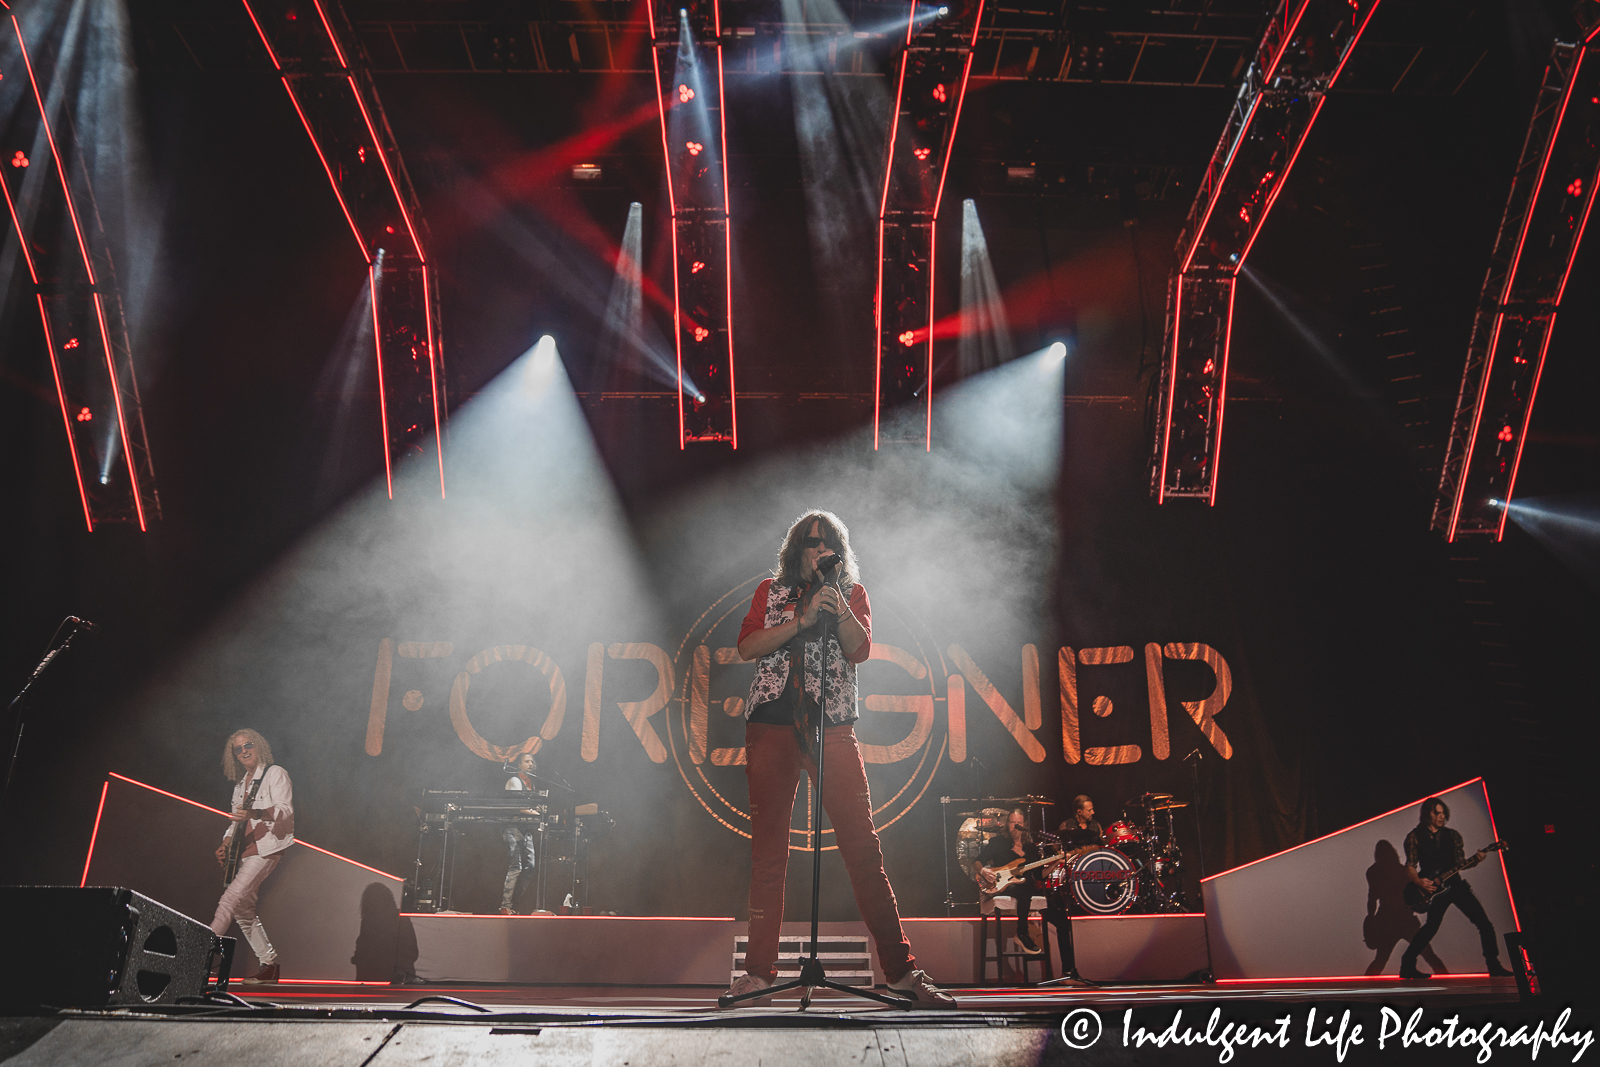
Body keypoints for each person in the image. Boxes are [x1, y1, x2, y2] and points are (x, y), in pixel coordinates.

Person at [721, 510, 954, 1007]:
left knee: (862, 848)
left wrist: (836, 608)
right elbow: (746, 647)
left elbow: (860, 650)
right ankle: (759, 974)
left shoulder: (853, 595)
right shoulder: (771, 591)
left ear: (839, 551)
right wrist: (801, 621)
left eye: (827, 543)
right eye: (809, 542)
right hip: (772, 726)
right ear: (794, 550)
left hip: (831, 727)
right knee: (769, 854)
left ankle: (900, 971)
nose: (819, 549)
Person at [211, 729, 294, 983]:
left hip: (266, 849)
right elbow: (234, 822)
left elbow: (285, 811)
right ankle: (269, 965)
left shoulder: (275, 773)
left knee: (230, 900)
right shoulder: (239, 787)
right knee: (243, 911)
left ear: (258, 746)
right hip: (244, 852)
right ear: (234, 756)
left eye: (248, 745)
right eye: (238, 749)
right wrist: (225, 842)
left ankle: (197, 951)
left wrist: (254, 813)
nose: (244, 750)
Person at [1399, 797, 1512, 980]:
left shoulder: (1453, 835)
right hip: (1433, 890)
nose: (1442, 816)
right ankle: (1407, 966)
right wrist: (1419, 882)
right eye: (1438, 813)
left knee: (1484, 923)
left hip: (1456, 885)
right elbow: (1410, 865)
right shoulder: (1414, 837)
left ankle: (1494, 965)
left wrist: (1476, 860)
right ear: (1428, 813)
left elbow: (1461, 863)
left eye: (1444, 813)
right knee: (1430, 928)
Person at [974, 808, 1047, 955]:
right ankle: (1022, 933)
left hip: (1024, 887)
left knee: (1028, 888)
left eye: (1019, 823)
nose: (1015, 826)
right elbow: (977, 861)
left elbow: (1040, 875)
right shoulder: (998, 843)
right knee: (1023, 888)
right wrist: (983, 871)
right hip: (1001, 885)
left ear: (1024, 825)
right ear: (1007, 824)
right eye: (1012, 822)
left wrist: (1055, 863)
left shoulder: (1030, 848)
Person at [500, 752, 539, 915]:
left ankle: (516, 903)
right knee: (516, 866)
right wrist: (539, 814)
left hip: (526, 829)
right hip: (513, 827)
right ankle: (506, 905)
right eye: (527, 761)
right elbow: (518, 807)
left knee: (530, 866)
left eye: (532, 761)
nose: (530, 764)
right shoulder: (515, 781)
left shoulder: (531, 784)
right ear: (519, 765)